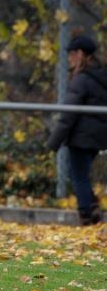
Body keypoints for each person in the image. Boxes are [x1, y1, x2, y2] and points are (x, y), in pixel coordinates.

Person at [47, 34, 107, 226]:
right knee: (81, 173)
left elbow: (68, 116)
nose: (70, 58)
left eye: (72, 54)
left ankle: (86, 214)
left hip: (81, 137)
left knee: (78, 175)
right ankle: (93, 206)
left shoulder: (81, 80)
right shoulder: (101, 76)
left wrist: (53, 142)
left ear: (80, 54)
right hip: (98, 136)